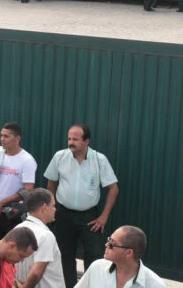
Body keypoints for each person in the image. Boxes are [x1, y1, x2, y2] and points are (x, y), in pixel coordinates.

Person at [44, 123, 119, 288]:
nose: (71, 142)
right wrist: (53, 207)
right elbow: (51, 183)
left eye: (75, 139)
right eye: (69, 138)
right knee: (64, 255)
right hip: (63, 214)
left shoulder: (99, 160)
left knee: (94, 256)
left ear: (86, 141)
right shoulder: (60, 157)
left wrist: (104, 216)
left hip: (90, 216)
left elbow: (113, 188)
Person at [0, 122, 37, 239]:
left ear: (17, 138)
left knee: (12, 248)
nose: (2, 139)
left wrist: (4, 202)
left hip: (14, 214)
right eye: (1, 136)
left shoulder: (27, 160)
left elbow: (28, 189)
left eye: (6, 136)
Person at [75, 225, 166, 288]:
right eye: (109, 240)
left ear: (129, 253)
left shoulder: (156, 285)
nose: (106, 245)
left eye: (112, 243)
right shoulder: (97, 267)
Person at [13, 188, 64, 288]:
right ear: (44, 207)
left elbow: (6, 265)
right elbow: (36, 273)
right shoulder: (46, 236)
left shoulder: (16, 229)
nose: (55, 209)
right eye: (53, 205)